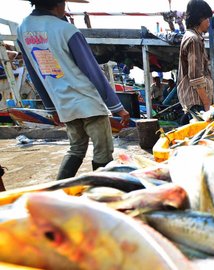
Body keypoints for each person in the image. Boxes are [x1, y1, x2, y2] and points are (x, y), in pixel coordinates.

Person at [17, 0, 130, 179]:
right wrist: (117, 107)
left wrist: (51, 107)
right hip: (87, 101)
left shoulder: (23, 29)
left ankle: (58, 189)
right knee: (103, 151)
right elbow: (92, 70)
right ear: (58, 3)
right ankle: (101, 192)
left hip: (63, 102)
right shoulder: (66, 29)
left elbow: (35, 72)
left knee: (76, 148)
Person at [178, 0, 214, 125]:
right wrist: (207, 104)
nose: (209, 23)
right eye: (207, 19)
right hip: (197, 103)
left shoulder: (194, 37)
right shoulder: (193, 39)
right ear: (199, 19)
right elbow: (195, 77)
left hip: (196, 103)